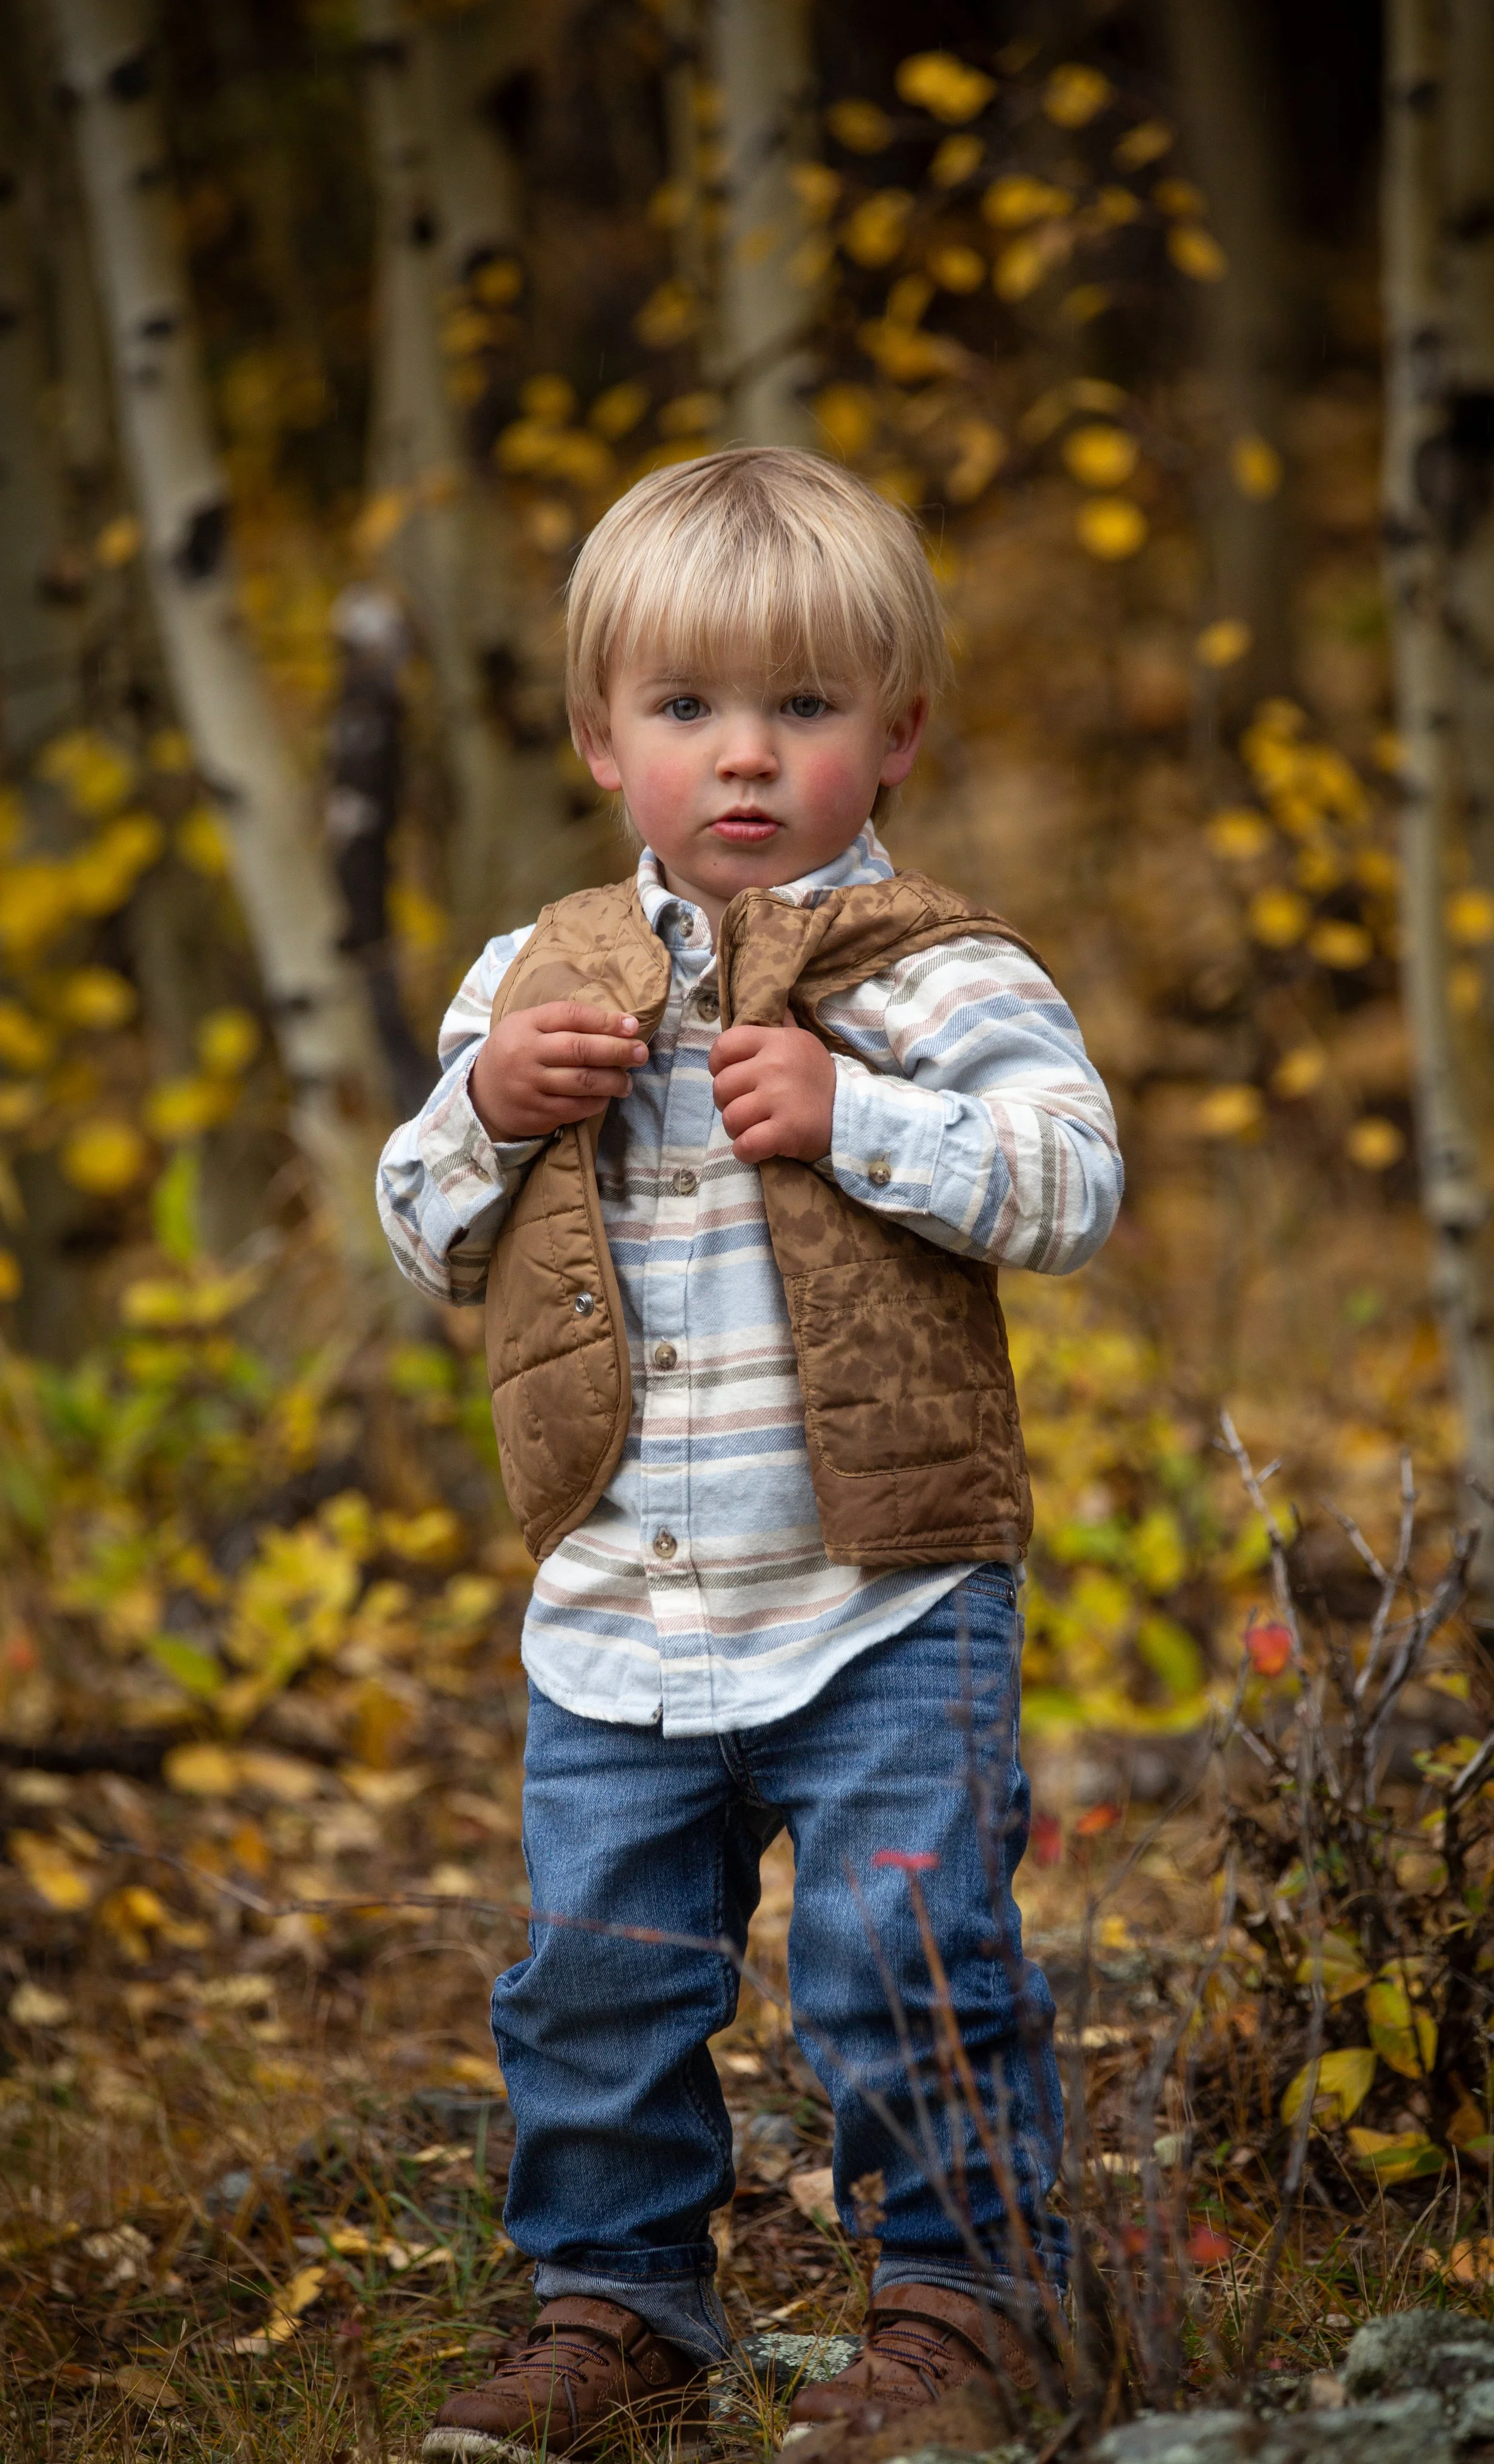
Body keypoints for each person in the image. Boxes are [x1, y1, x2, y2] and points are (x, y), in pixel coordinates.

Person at [376, 448, 1123, 2463]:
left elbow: (1070, 1185)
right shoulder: (532, 981)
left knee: (906, 1951)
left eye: (802, 709)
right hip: (621, 1597)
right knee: (597, 1982)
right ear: (596, 737)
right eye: (687, 709)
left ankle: (970, 2299)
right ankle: (615, 2302)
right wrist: (490, 1104)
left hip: (886, 1592)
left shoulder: (935, 970)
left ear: (894, 732)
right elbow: (425, 1231)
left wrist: (860, 1117)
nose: (742, 759)